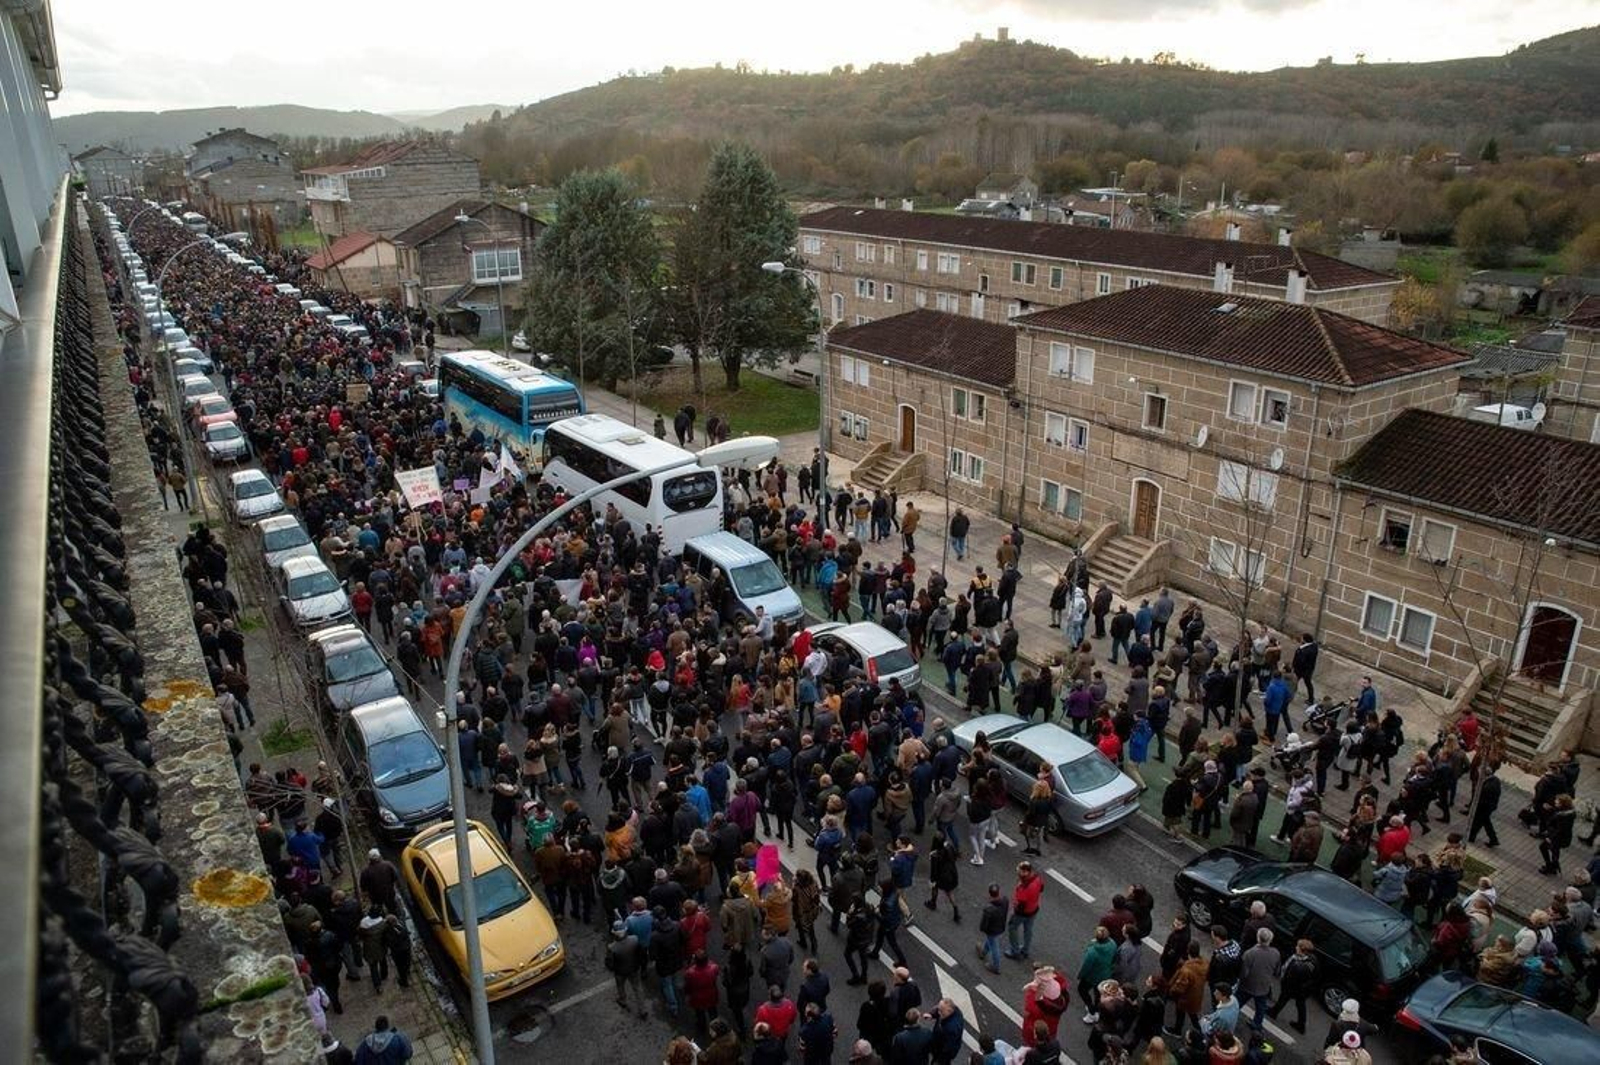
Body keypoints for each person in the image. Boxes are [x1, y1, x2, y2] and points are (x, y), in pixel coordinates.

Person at [1005, 861, 1044, 960]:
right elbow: (1042, 888)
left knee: (1012, 928)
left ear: (1026, 872)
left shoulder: (1024, 887)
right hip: (1034, 909)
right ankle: (1026, 950)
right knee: (1028, 930)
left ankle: (1015, 951)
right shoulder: (1037, 878)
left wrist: (1014, 912)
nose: (1018, 874)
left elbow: (1021, 906)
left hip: (1023, 913)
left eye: (1020, 872)